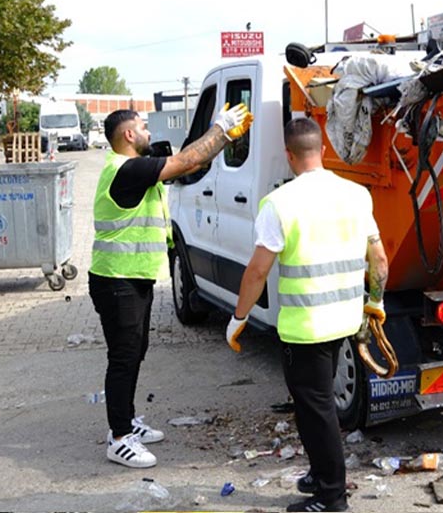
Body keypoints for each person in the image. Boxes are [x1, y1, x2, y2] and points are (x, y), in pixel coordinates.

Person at [227, 118, 387, 513]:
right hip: (345, 320)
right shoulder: (356, 194)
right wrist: (375, 303)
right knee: (318, 404)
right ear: (322, 151)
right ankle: (320, 475)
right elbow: (379, 260)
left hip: (306, 328)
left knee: (316, 411)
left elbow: (257, 271)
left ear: (289, 156)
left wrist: (239, 317)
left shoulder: (279, 203)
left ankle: (332, 497)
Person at [91, 103, 252, 469]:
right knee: (123, 357)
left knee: (134, 352)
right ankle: (118, 438)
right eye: (143, 127)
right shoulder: (128, 169)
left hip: (132, 277)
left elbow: (190, 163)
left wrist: (220, 141)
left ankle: (126, 421)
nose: (149, 133)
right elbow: (182, 162)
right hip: (117, 280)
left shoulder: (136, 170)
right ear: (129, 135)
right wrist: (221, 129)